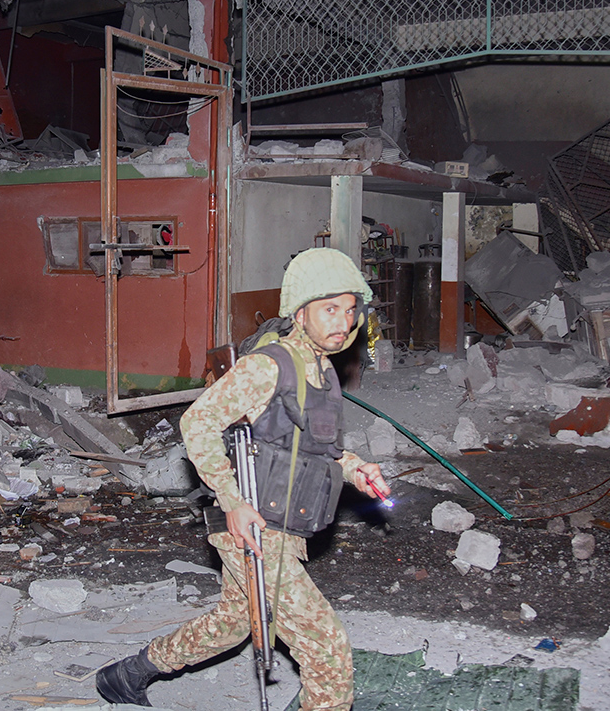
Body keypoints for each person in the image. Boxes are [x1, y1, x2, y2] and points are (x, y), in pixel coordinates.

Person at [96, 248, 390, 710]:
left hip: (284, 523)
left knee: (233, 623)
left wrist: (357, 469)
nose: (343, 320)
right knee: (326, 648)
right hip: (252, 525)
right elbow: (198, 423)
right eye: (330, 309)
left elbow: (318, 449)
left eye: (350, 310)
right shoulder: (268, 366)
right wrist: (232, 500)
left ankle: (128, 674)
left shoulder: (322, 371)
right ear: (301, 313)